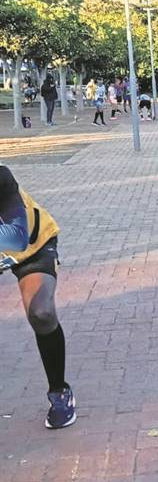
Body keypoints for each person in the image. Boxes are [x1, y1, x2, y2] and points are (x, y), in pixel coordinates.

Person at [0, 166, 76, 428]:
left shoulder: (1, 177)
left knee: (41, 313)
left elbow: (16, 238)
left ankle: (59, 391)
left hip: (32, 245)